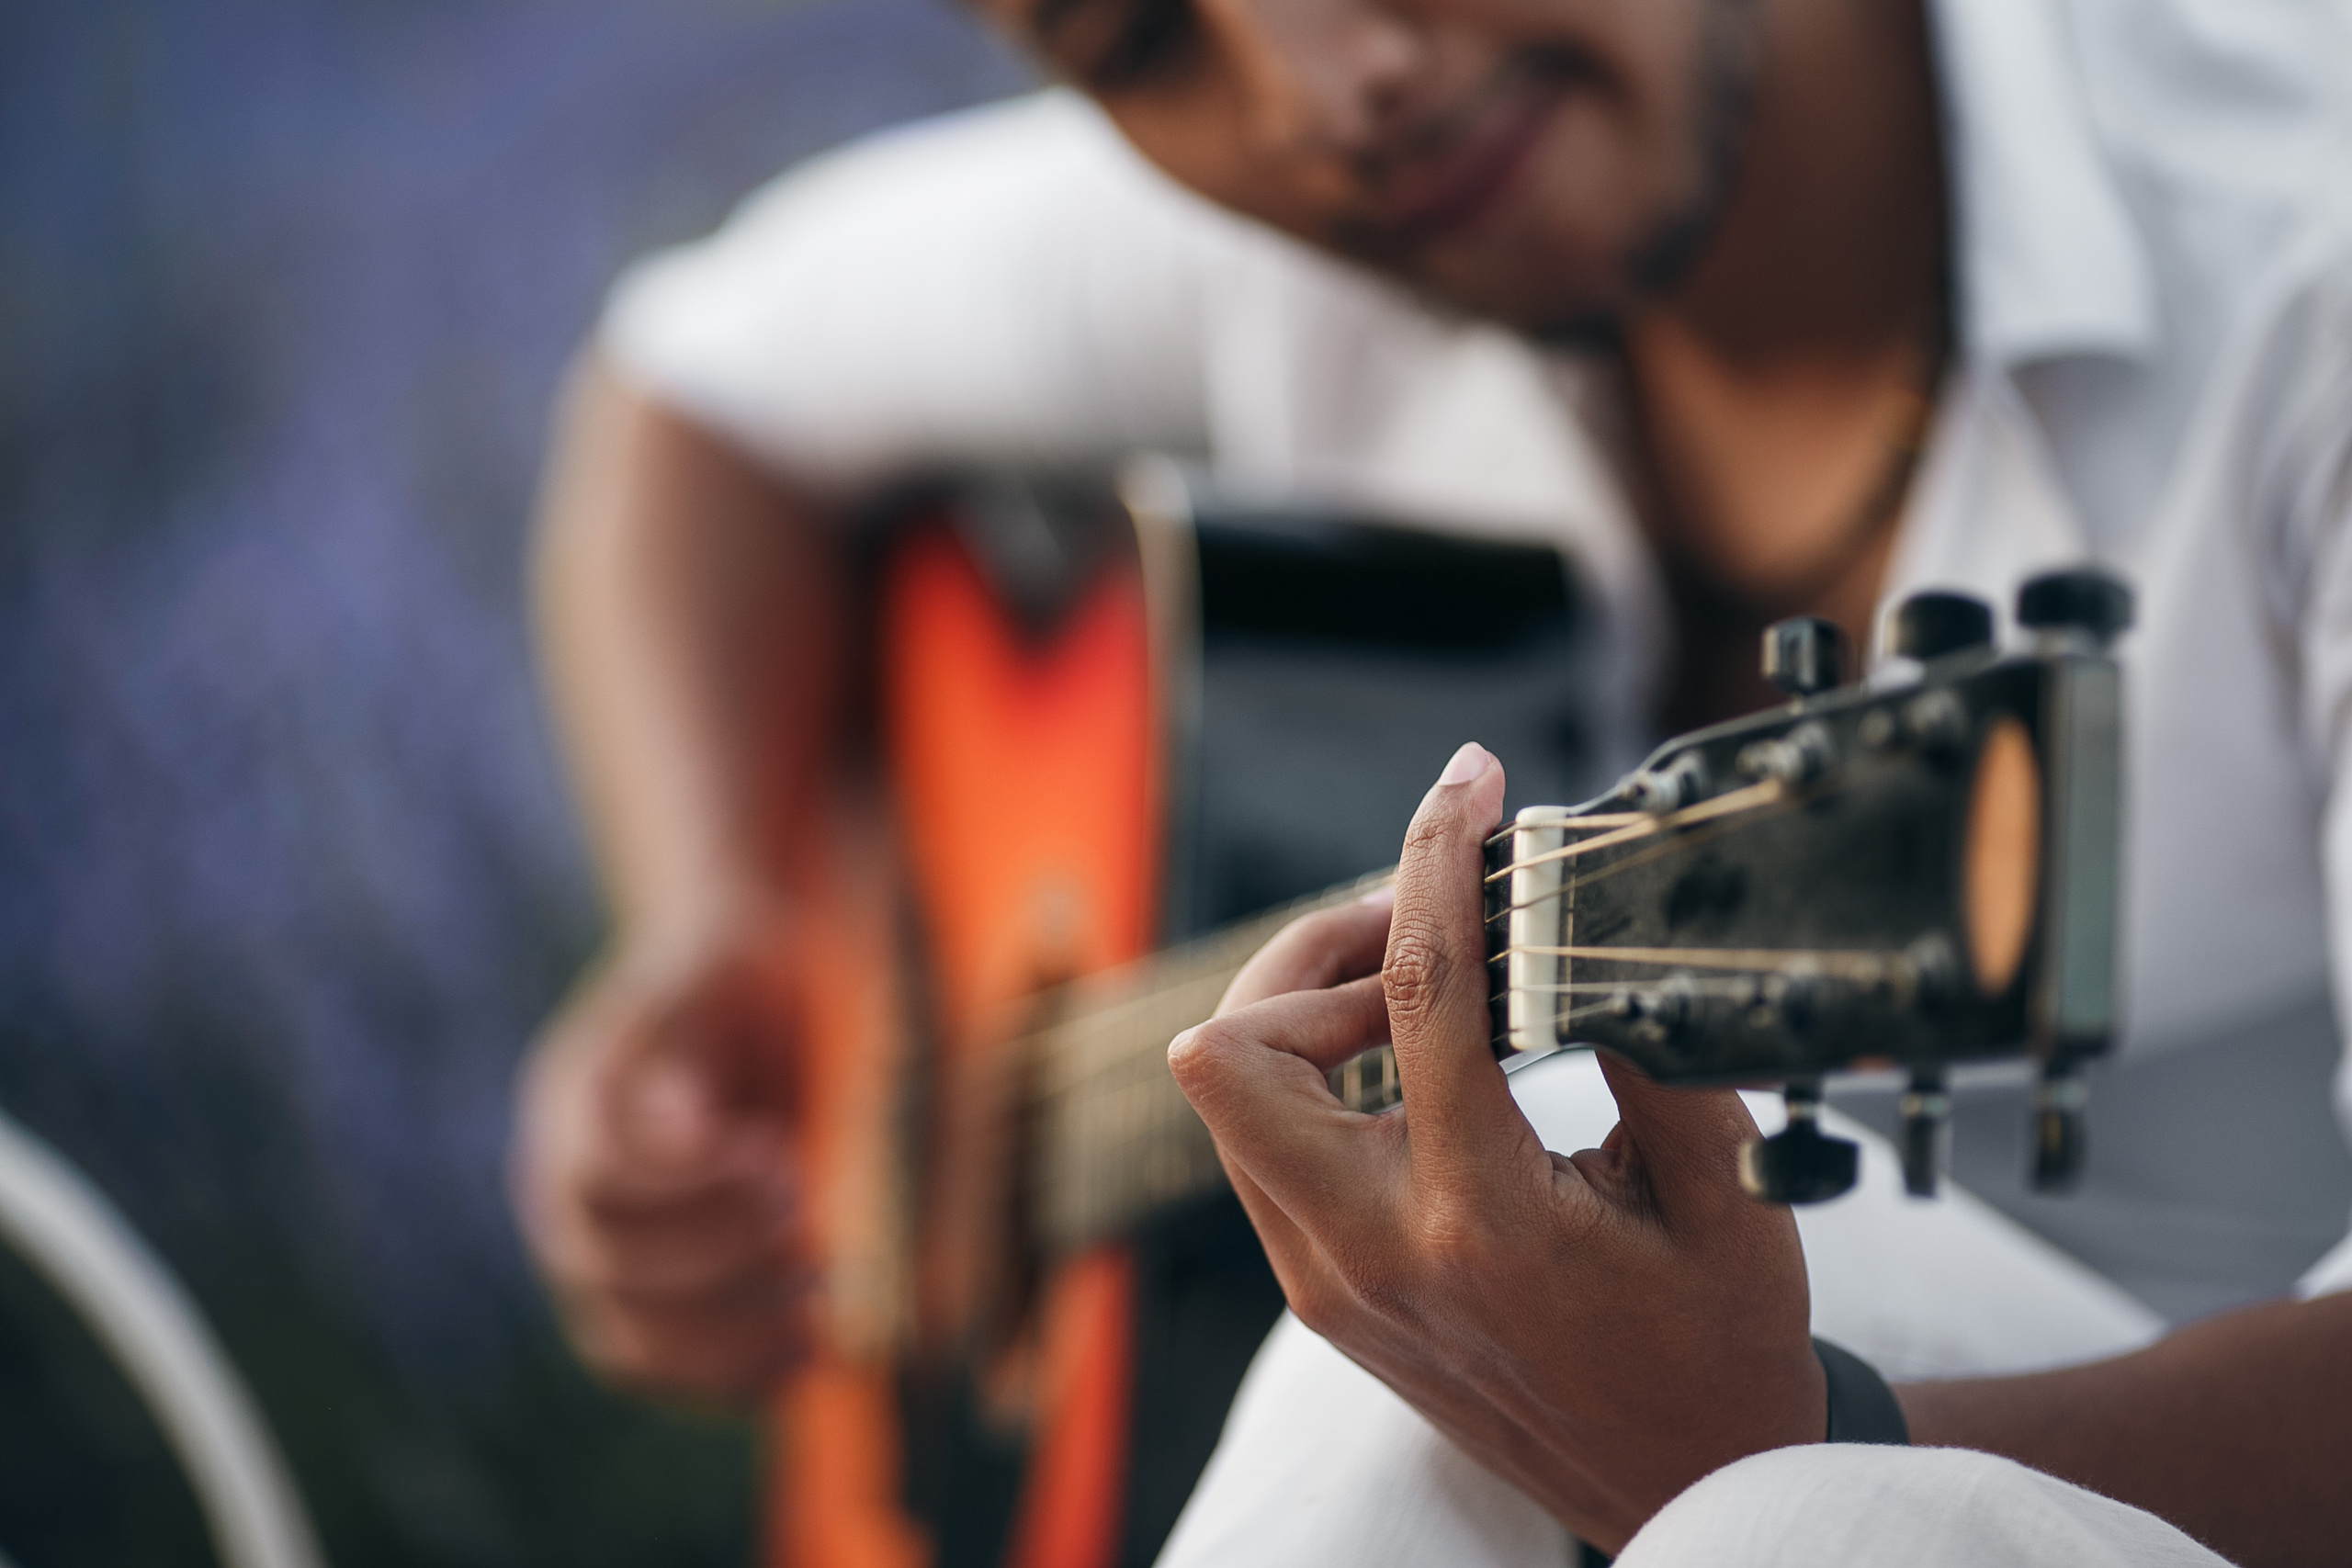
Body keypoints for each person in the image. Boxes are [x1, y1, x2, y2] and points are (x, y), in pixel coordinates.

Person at [506, 0, 2352, 1560]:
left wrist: (1808, 1447)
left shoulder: (2300, 239)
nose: (1331, 93)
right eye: (1137, 45)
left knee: (1429, 1403)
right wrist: (714, 913)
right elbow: (687, 394)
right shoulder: (1295, 235)